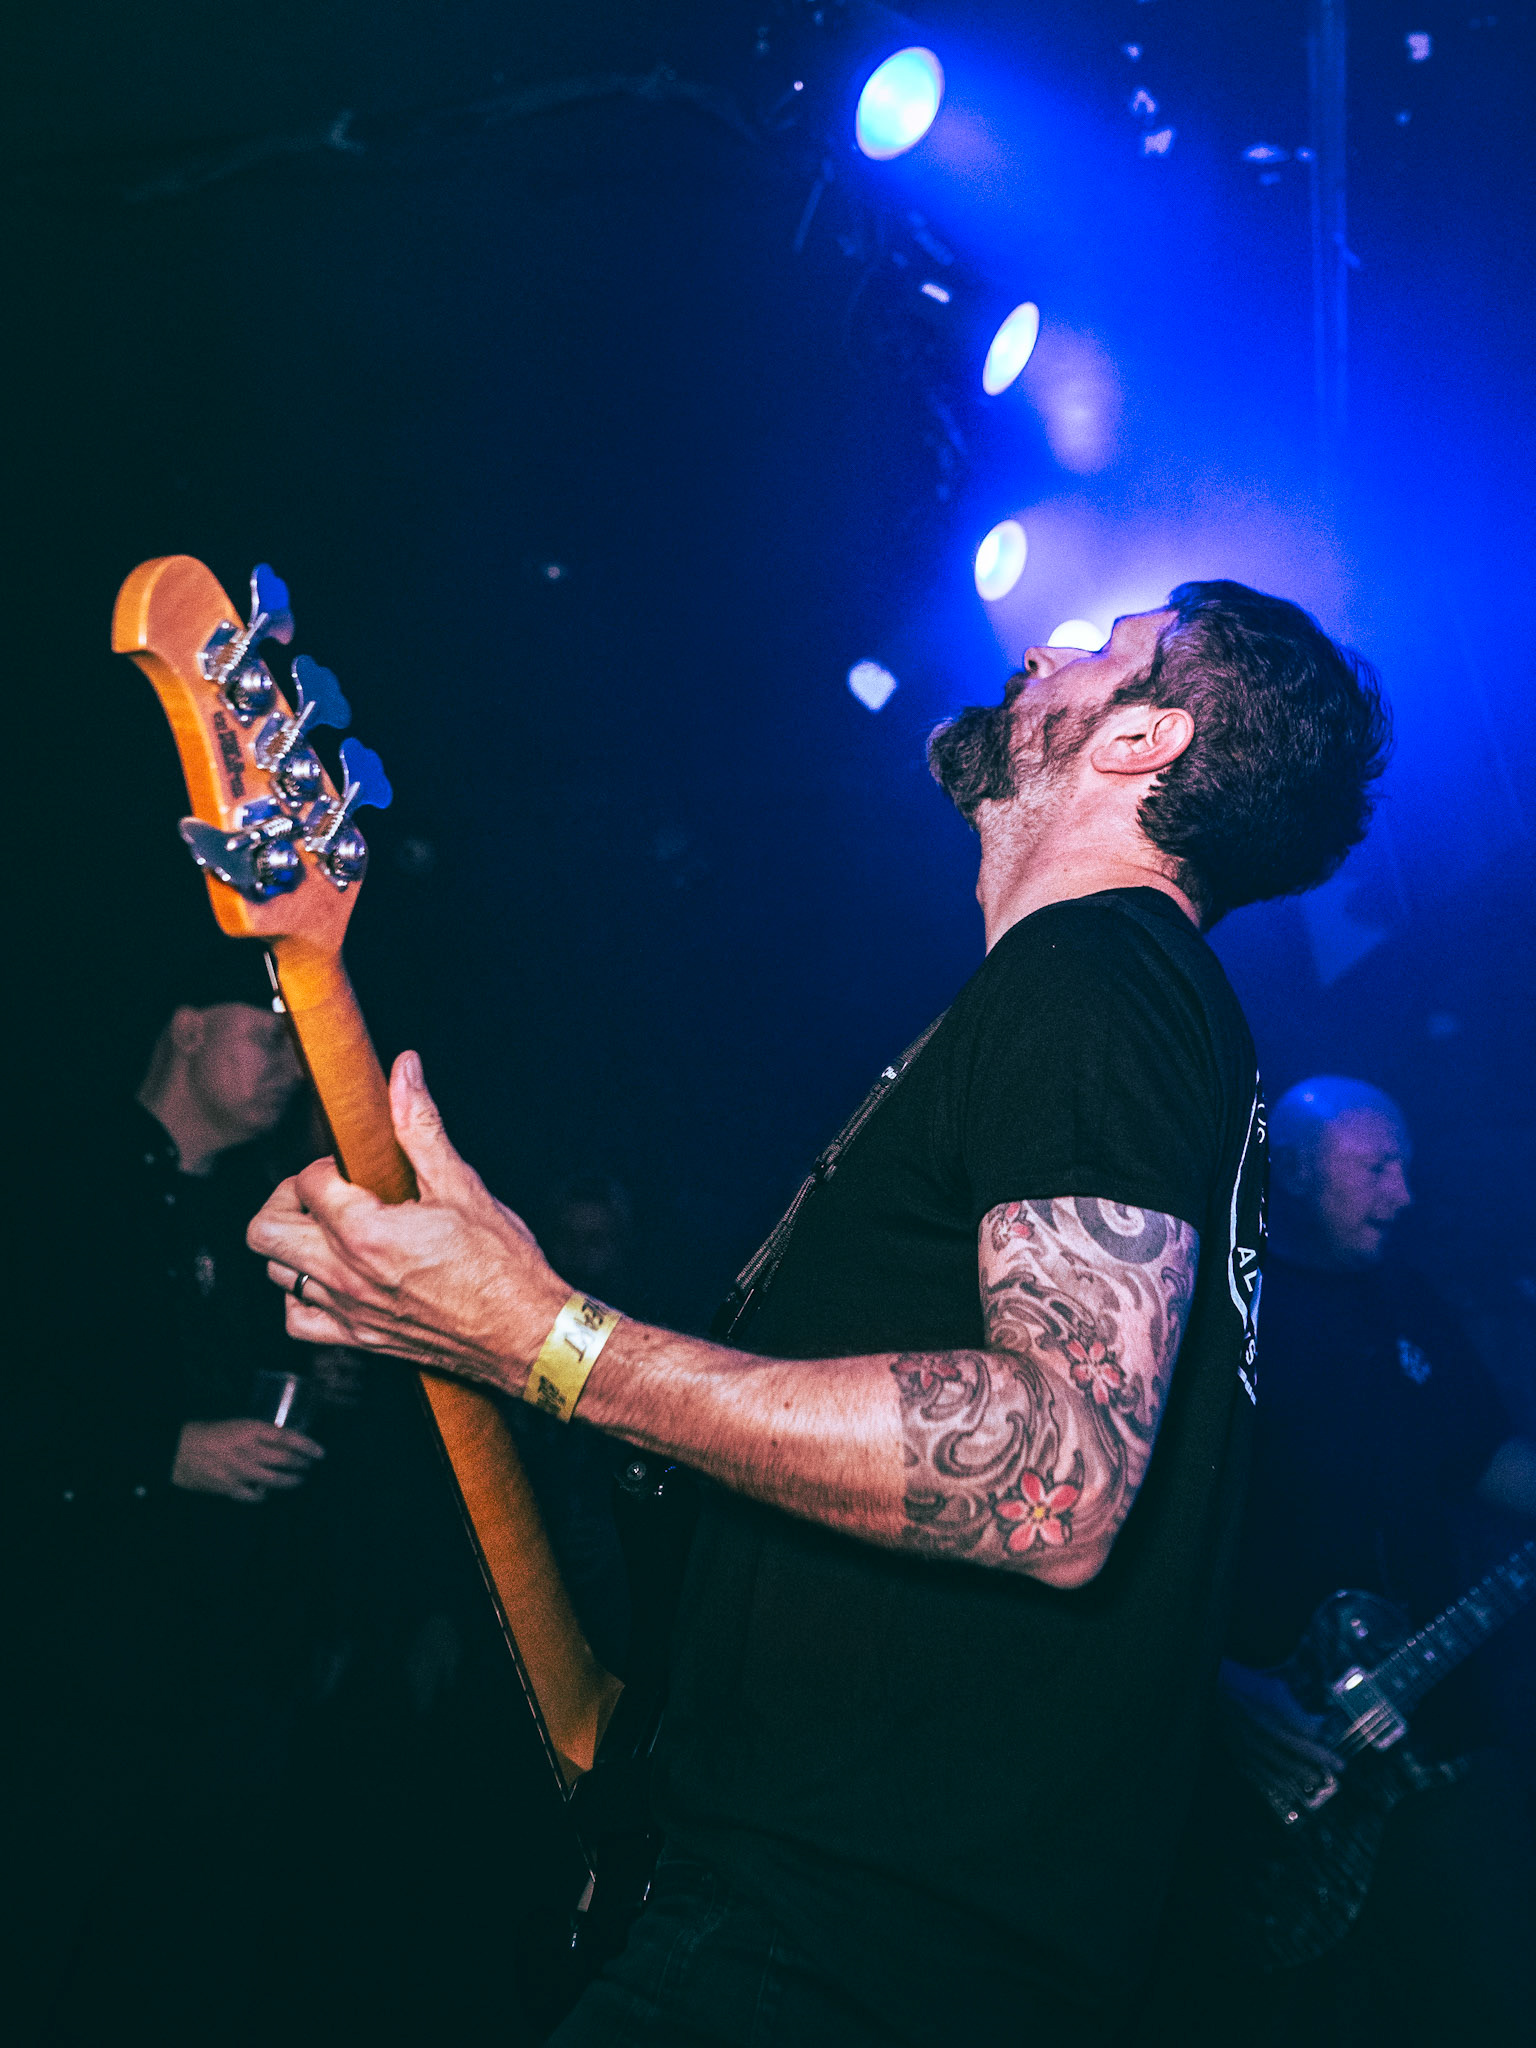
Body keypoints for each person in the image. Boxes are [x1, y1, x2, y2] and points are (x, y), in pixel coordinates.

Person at [247, 582, 1390, 2046]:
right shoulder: (1101, 1002)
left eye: (1103, 646)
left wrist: (545, 1334)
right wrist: (500, 1304)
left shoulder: (1101, 974)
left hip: (838, 1948)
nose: (1042, 648)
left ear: (1142, 738)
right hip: (843, 1924)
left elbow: (1054, 1473)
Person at [14, 964, 327, 2041]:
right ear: (189, 1030)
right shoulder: (52, 1181)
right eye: (270, 1036)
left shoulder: (256, 1216)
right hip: (62, 1673)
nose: (292, 1068)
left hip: (220, 1675)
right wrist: (162, 1453)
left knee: (172, 1970)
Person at [1194, 1076, 1536, 2048]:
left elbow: (1482, 1455)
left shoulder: (1404, 1296)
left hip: (1444, 1735)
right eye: (1378, 1167)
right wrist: (1222, 1688)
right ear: (1297, 1172)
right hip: (1285, 1754)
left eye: (1406, 1167)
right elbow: (1151, 1529)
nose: (1404, 1193)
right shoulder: (1226, 1309)